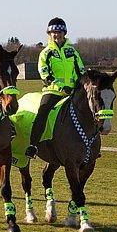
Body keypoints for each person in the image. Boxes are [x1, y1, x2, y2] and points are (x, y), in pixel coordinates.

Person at [25, 17, 85, 158]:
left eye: (59, 32)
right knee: (43, 111)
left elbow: (81, 70)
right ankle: (33, 145)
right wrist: (61, 86)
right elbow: (44, 72)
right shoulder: (46, 52)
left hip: (72, 91)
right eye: (53, 32)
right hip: (53, 90)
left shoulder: (72, 52)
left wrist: (80, 85)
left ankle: (91, 144)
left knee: (89, 109)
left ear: (64, 33)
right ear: (49, 34)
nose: (56, 34)